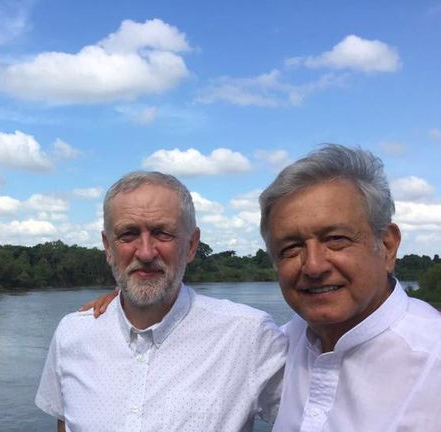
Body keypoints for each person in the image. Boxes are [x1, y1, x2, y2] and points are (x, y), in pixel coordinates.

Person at [260, 144, 441, 431]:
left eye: (336, 239)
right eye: (291, 248)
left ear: (387, 245)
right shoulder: (273, 350)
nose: (313, 266)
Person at [35, 171, 287, 432]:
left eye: (162, 233)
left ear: (191, 245)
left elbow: (319, 411)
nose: (145, 252)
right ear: (108, 247)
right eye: (128, 234)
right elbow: (65, 425)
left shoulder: (248, 336)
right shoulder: (72, 334)